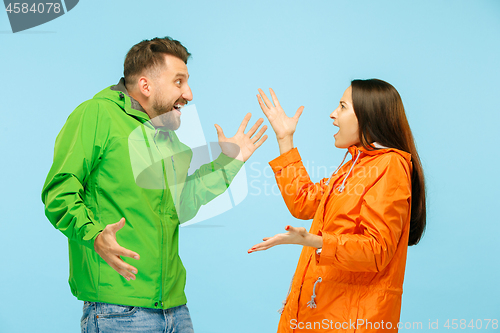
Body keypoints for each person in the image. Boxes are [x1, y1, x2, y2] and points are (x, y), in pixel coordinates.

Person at [41, 36, 268, 333]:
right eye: (179, 82)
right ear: (146, 86)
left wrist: (230, 161)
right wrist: (94, 234)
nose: (188, 93)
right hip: (118, 310)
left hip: (175, 309)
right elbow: (58, 192)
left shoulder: (168, 140)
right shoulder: (96, 115)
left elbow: (183, 205)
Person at [249, 79, 426, 332]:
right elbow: (304, 202)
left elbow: (378, 250)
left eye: (342, 106)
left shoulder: (390, 166)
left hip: (350, 321)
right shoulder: (353, 165)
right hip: (317, 312)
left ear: (368, 116)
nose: (333, 114)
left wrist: (317, 241)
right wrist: (284, 138)